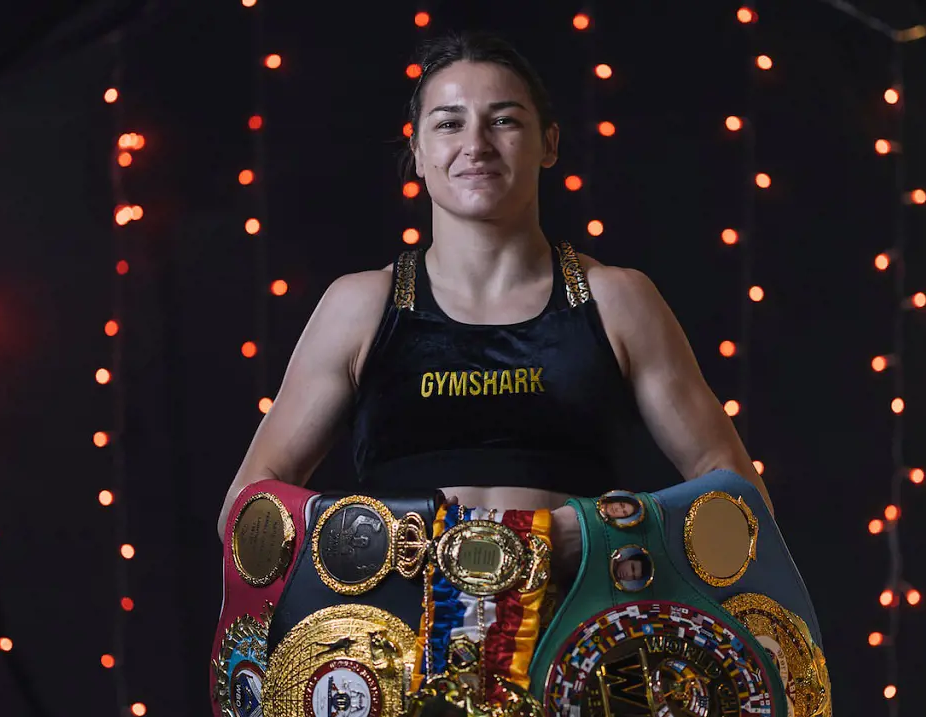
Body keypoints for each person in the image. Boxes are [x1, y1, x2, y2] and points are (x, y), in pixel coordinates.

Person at [216, 31, 773, 580]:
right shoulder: (361, 305)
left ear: (549, 144)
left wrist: (609, 530)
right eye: (449, 123)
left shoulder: (616, 299)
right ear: (417, 150)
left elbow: (739, 492)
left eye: (504, 120)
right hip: (396, 648)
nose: (475, 145)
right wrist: (370, 543)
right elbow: (245, 507)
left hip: (576, 646)